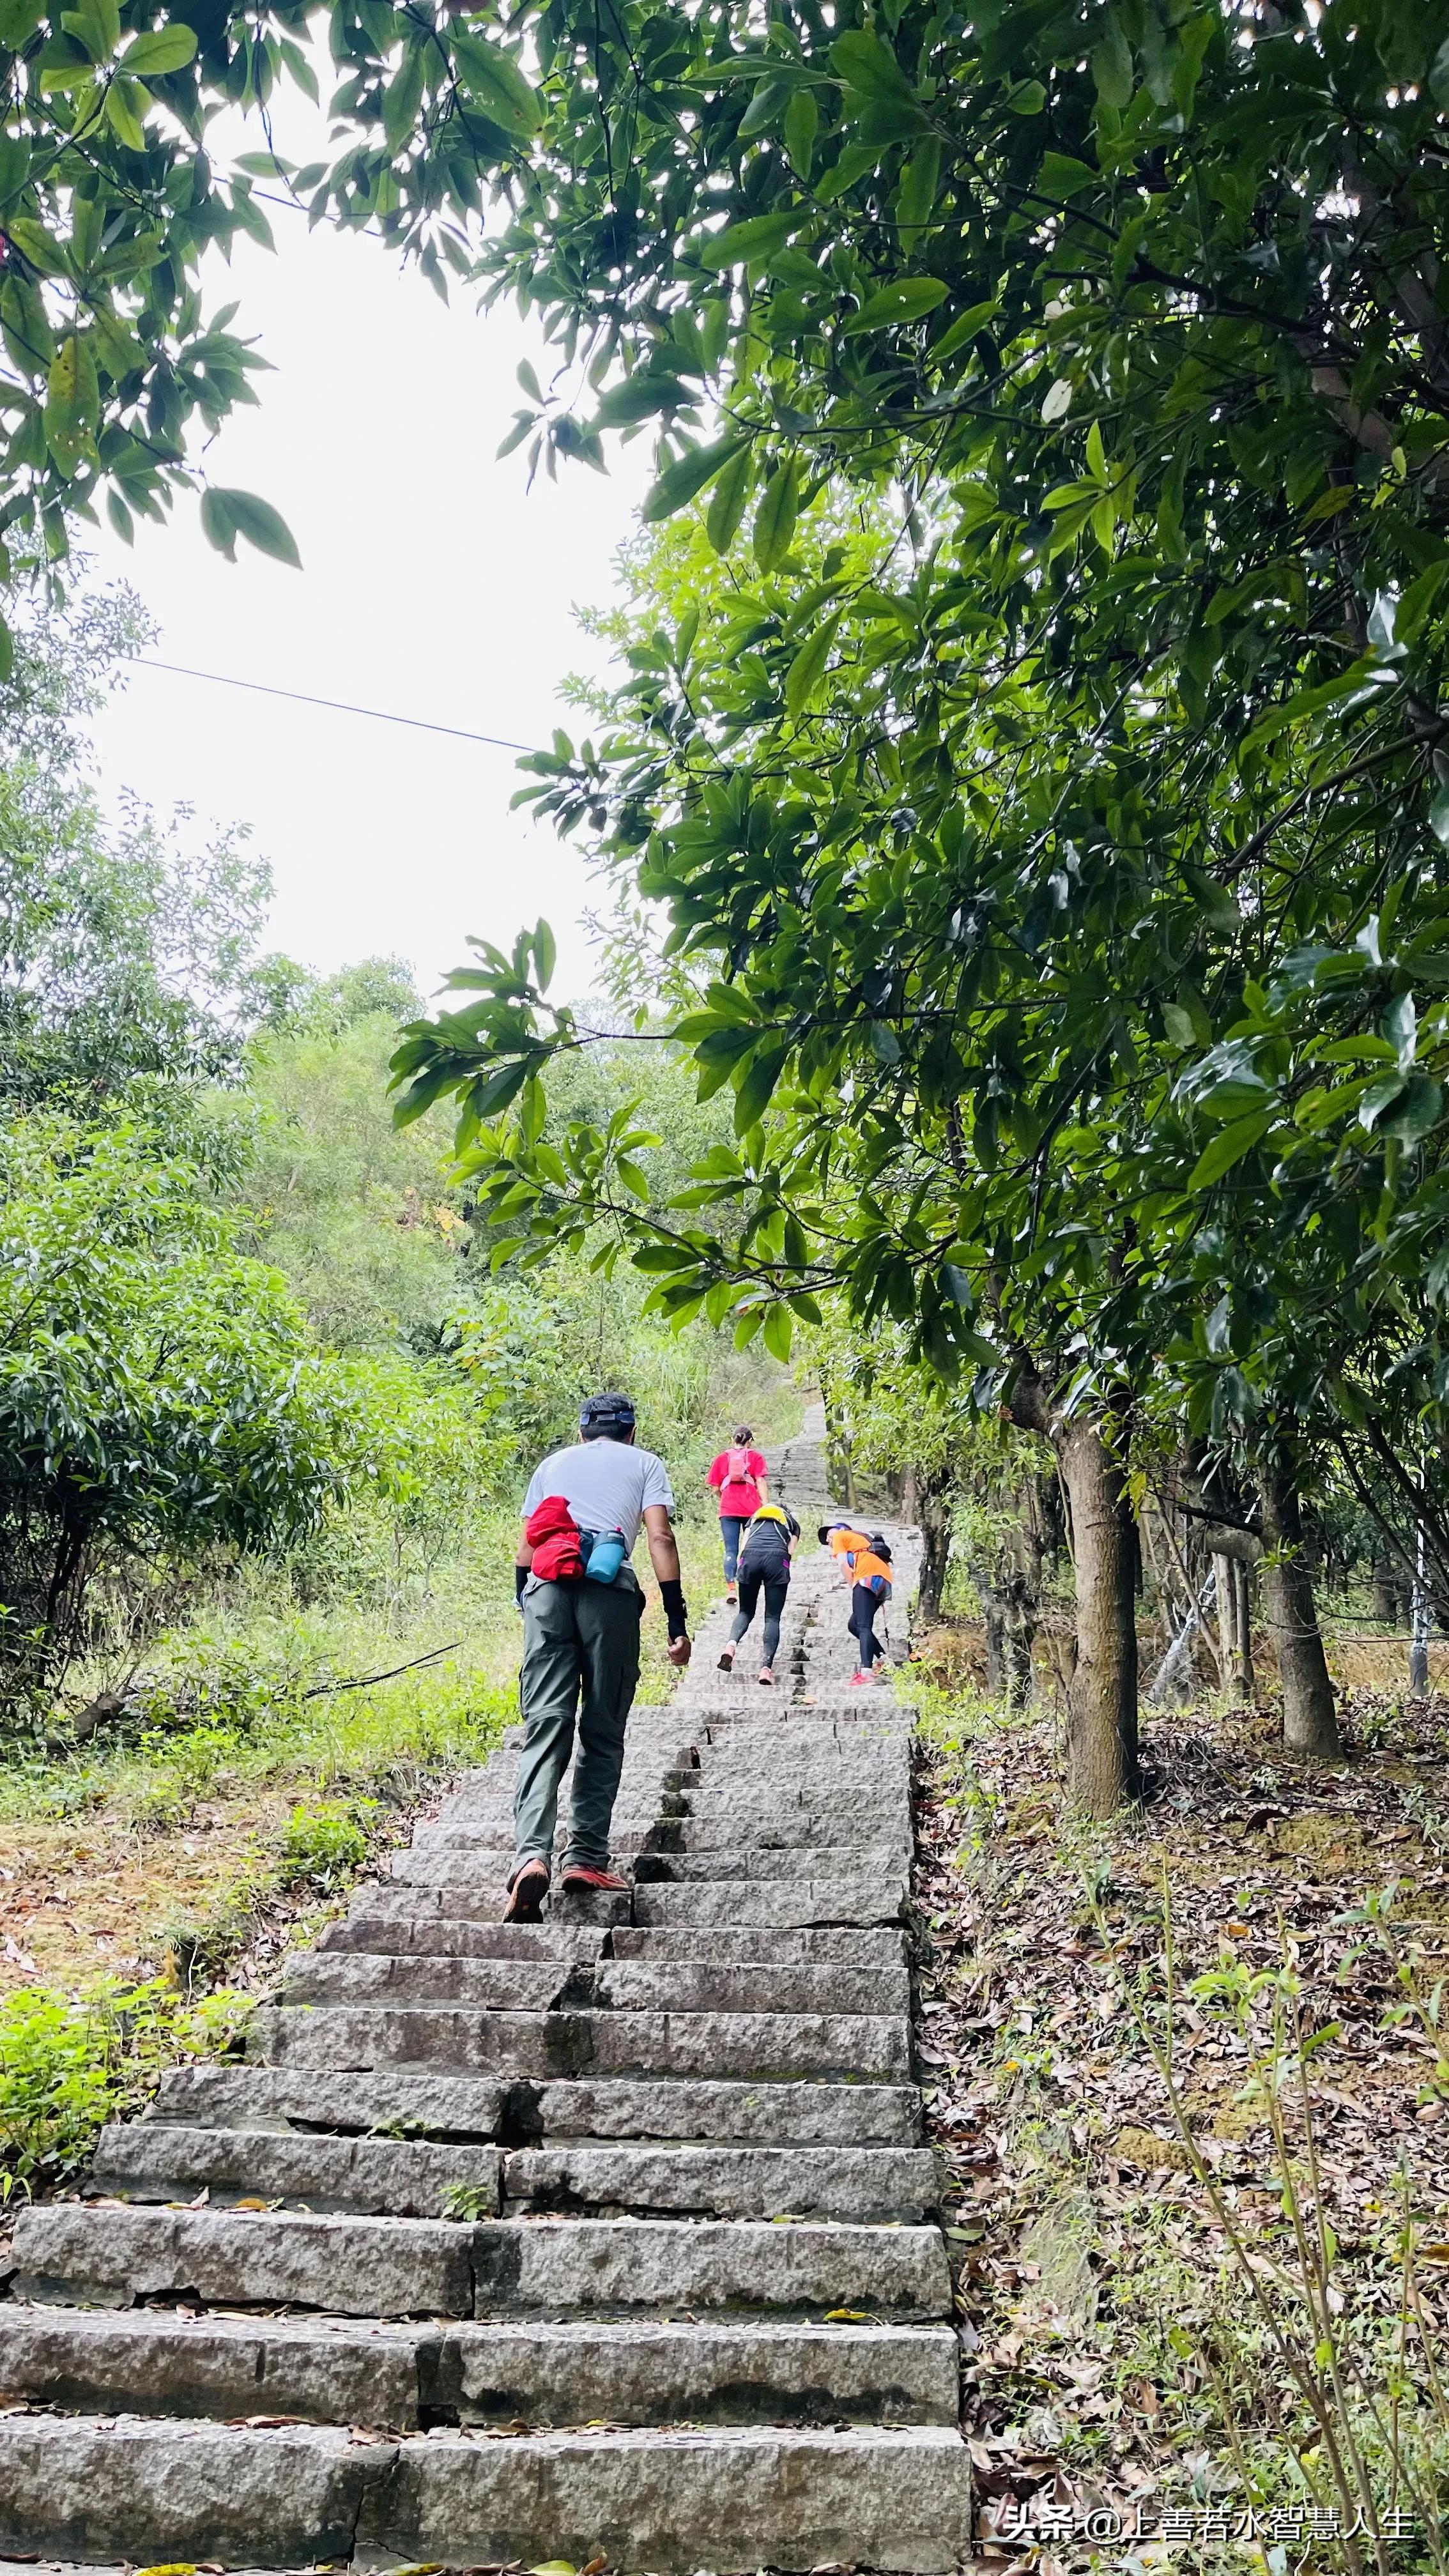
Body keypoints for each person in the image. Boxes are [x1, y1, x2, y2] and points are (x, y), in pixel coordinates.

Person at [505, 1391, 691, 1921]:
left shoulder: (552, 1464)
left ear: (582, 1431)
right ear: (631, 1431)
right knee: (603, 1725)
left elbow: (527, 1546)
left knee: (546, 1724)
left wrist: (530, 1602)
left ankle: (530, 1857)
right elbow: (659, 1534)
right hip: (609, 1590)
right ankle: (584, 1857)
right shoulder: (646, 1463)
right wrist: (676, 1620)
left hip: (546, 1586)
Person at [718, 1503, 801, 1685]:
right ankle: (765, 1669)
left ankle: (730, 1646)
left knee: (745, 1612)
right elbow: (790, 1552)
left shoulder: (754, 1518)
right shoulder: (792, 1523)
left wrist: (746, 1568)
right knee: (772, 1618)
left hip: (750, 1557)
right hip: (776, 1559)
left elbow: (743, 1546)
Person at [706, 1427, 770, 1603]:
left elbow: (715, 1488)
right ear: (750, 1441)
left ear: (732, 1439)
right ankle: (750, 1585)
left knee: (731, 1550)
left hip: (728, 1510)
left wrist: (726, 1497)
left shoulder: (722, 1458)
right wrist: (766, 1506)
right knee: (750, 1549)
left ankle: (731, 1589)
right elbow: (761, 1481)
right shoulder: (756, 1457)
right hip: (752, 1510)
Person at [847, 1533, 894, 1686]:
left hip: (865, 1579)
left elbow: (845, 1563)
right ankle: (883, 1659)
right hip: (883, 1583)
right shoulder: (879, 1555)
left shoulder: (858, 1550)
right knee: (854, 1625)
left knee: (863, 1626)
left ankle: (866, 1672)